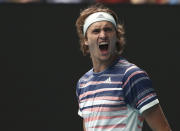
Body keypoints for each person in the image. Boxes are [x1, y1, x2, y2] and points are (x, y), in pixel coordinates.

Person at [75, 3, 171, 131]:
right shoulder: (83, 83)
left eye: (108, 29)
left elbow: (163, 128)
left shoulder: (131, 76)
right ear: (86, 39)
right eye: (96, 31)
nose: (103, 35)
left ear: (116, 36)